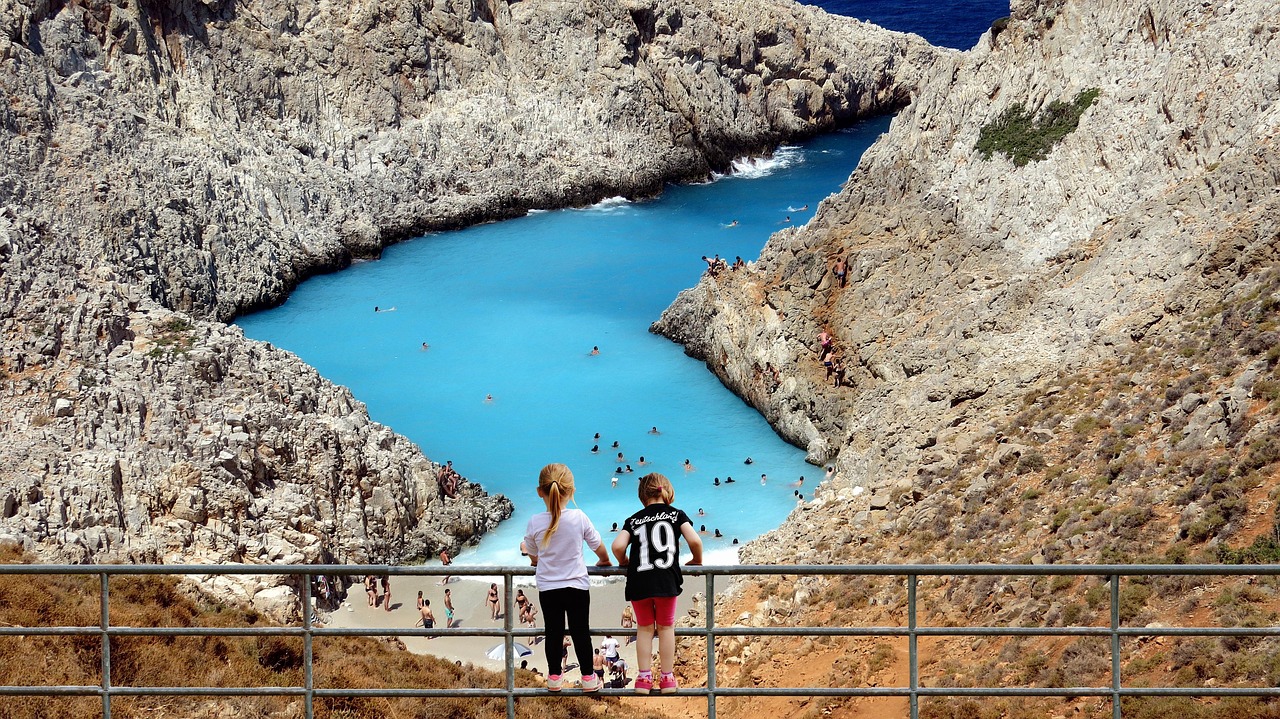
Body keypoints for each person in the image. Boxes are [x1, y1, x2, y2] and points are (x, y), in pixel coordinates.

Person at [522, 463, 611, 693]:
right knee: (581, 631)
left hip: (549, 587)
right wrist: (604, 560)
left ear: (539, 491)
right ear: (571, 491)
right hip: (577, 586)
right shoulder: (579, 517)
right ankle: (588, 678)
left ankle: (554, 677)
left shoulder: (534, 521)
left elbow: (532, 551)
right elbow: (597, 545)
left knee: (553, 632)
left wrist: (535, 561)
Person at [612, 473, 703, 694]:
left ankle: (643, 679)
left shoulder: (633, 519)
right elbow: (695, 540)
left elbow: (617, 546)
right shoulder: (676, 515)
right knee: (665, 627)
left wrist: (623, 561)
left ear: (642, 496)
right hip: (666, 579)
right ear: (665, 491)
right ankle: (667, 678)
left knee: (644, 628)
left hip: (639, 580)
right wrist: (697, 561)